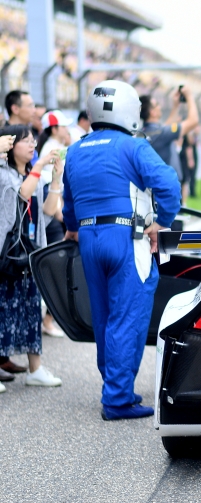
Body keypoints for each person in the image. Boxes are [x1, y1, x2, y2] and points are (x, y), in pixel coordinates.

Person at [61, 80, 181, 420]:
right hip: (127, 237)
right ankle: (116, 399)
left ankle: (115, 387)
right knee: (127, 317)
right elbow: (169, 184)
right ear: (129, 110)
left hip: (88, 238)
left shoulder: (75, 150)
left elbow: (69, 204)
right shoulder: (134, 146)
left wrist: (73, 227)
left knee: (103, 318)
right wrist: (163, 221)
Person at [0, 125, 65, 388]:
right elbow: (21, 195)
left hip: (28, 252)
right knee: (2, 310)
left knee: (30, 309)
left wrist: (56, 179)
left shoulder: (32, 174)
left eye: (33, 141)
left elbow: (47, 212)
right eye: (25, 141)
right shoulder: (3, 174)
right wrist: (39, 167)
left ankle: (35, 369)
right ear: (10, 145)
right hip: (5, 252)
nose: (32, 145)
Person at [37, 109, 74, 338]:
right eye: (64, 125)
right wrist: (63, 216)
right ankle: (47, 320)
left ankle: (47, 319)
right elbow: (53, 185)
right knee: (57, 268)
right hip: (53, 216)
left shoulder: (54, 146)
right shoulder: (53, 149)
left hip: (55, 214)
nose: (67, 129)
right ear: (54, 128)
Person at [139, 87, 199, 183]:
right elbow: (193, 121)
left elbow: (166, 127)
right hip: (168, 185)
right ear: (152, 112)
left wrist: (176, 106)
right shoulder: (160, 133)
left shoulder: (144, 132)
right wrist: (189, 97)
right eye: (157, 104)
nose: (160, 106)